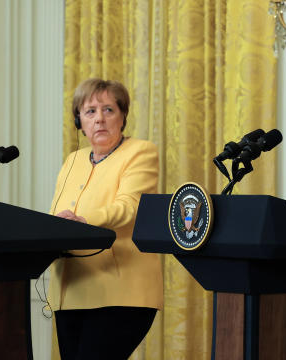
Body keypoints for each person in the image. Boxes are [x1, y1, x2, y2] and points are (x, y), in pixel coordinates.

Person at [48, 78, 163, 359]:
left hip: (121, 292)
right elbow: (56, 215)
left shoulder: (140, 151)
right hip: (70, 291)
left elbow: (129, 207)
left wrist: (82, 220)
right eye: (90, 111)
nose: (99, 119)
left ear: (122, 116)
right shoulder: (72, 160)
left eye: (109, 110)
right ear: (79, 122)